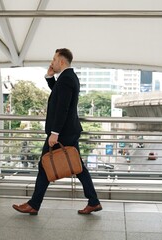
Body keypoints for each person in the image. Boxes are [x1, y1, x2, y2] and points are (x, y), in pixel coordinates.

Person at [12, 48, 102, 215]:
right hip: (68, 131)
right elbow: (58, 94)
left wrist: (55, 133)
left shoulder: (67, 79)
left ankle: (34, 204)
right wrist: (49, 77)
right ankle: (93, 201)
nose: (51, 62)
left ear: (61, 61)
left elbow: (62, 108)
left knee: (45, 164)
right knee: (78, 167)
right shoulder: (67, 78)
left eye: (54, 59)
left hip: (63, 132)